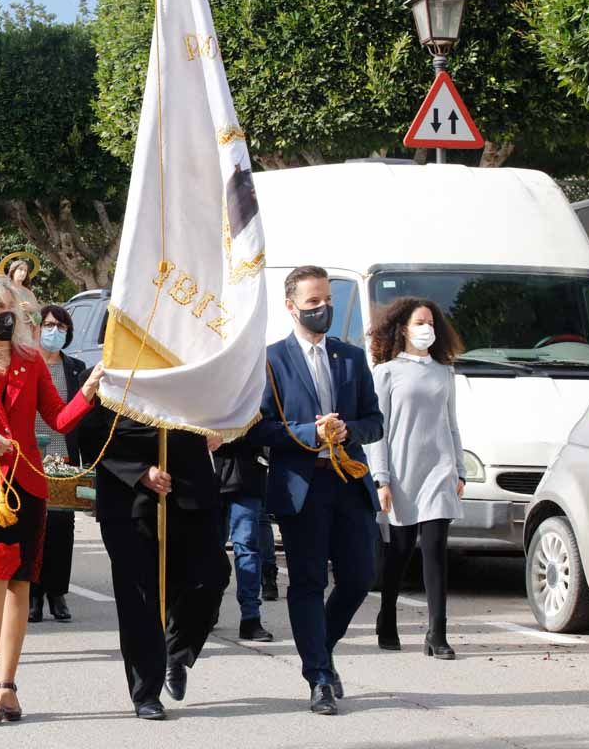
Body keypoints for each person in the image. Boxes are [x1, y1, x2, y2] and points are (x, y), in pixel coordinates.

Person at [0, 276, 102, 725]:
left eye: (14, 307)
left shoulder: (31, 361)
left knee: (20, 585)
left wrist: (88, 392)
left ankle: (9, 682)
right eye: (0, 308)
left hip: (28, 484)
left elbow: (58, 420)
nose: (11, 315)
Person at [247, 265, 384, 716]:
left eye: (327, 300)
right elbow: (256, 428)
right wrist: (309, 432)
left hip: (348, 481)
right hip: (302, 486)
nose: (323, 308)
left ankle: (321, 647)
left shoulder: (350, 356)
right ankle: (319, 676)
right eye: (313, 302)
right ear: (291, 307)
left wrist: (347, 431)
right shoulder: (270, 360)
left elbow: (374, 421)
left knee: (360, 576)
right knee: (307, 581)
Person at [79, 395, 230, 720]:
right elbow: (90, 436)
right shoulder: (108, 378)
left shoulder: (186, 368)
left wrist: (220, 430)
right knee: (141, 599)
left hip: (189, 491)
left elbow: (219, 404)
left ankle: (176, 651)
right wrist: (140, 472)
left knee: (211, 576)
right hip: (131, 500)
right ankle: (146, 691)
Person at [367, 297, 466, 660]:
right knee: (400, 550)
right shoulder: (387, 372)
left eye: (431, 323)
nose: (427, 329)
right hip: (402, 471)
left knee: (436, 548)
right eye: (420, 322)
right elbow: (378, 429)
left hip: (439, 471)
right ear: (403, 328)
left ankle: (437, 633)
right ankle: (387, 615)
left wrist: (460, 469)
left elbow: (452, 423)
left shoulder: (445, 372)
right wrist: (381, 478)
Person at [29, 304, 87, 624]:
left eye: (61, 327)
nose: (54, 331)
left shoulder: (76, 368)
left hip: (64, 458)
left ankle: (57, 593)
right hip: (31, 458)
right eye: (49, 324)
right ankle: (34, 595)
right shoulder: (27, 365)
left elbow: (84, 417)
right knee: (36, 527)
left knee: (62, 528)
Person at [214, 436, 274, 642]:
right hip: (210, 472)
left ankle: (250, 618)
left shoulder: (254, 401)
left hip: (247, 473)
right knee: (211, 550)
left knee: (247, 546)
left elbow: (262, 421)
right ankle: (208, 608)